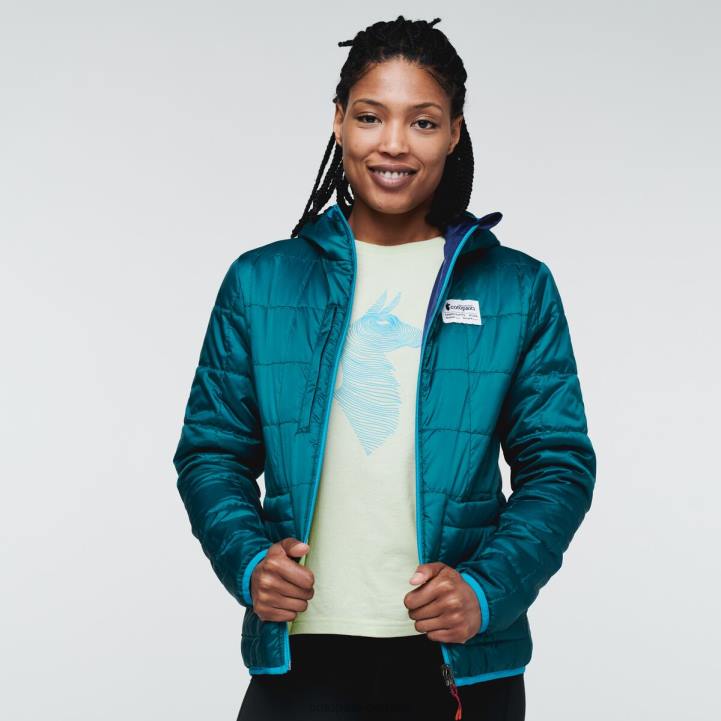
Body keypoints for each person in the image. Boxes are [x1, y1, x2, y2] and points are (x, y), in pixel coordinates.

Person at [173, 15, 596, 721]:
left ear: (454, 132)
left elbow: (558, 465)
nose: (393, 143)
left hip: (461, 658)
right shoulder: (260, 282)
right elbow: (211, 453)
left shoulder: (517, 288)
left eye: (422, 122)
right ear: (338, 120)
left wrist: (486, 589)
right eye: (371, 116)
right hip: (300, 654)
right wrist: (247, 561)